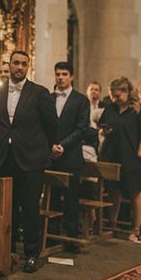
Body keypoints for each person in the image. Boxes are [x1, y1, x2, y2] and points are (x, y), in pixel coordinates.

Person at [0, 50, 57, 273]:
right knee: (8, 209)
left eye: (23, 64)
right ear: (9, 65)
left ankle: (31, 254)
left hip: (31, 160)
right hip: (5, 159)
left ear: (28, 67)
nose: (19, 67)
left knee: (29, 209)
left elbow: (51, 125)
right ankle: (8, 251)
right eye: (16, 63)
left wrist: (40, 150)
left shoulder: (39, 93)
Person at [98, 77, 141, 241]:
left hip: (131, 156)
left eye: (118, 95)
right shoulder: (110, 108)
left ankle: (136, 230)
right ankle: (112, 224)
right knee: (113, 190)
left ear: (127, 93)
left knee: (135, 191)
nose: (115, 99)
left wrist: (140, 156)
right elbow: (103, 127)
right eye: (112, 95)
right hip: (111, 154)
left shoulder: (137, 110)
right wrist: (104, 132)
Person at [49, 62, 90, 253]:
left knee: (72, 199)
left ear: (71, 76)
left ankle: (72, 238)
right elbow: (42, 125)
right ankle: (51, 236)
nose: (60, 77)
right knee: (52, 199)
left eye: (64, 74)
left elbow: (81, 128)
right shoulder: (48, 98)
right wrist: (51, 146)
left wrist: (62, 146)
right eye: (58, 74)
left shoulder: (81, 100)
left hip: (71, 156)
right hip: (51, 157)